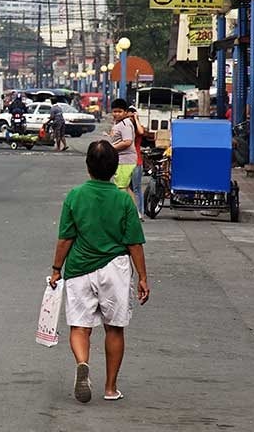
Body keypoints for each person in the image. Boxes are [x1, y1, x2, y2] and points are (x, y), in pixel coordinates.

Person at [49, 140, 149, 403]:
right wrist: (143, 277)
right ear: (115, 168)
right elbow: (134, 243)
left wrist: (56, 269)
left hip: (80, 268)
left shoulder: (75, 195)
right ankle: (110, 388)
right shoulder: (123, 200)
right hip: (114, 268)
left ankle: (83, 363)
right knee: (114, 328)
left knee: (80, 326)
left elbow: (65, 239)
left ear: (88, 166)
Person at [107, 99, 138, 204]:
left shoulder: (125, 124)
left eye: (119, 111)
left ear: (125, 112)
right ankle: (134, 212)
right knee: (126, 188)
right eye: (114, 111)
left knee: (121, 188)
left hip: (125, 161)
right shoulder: (119, 123)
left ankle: (123, 211)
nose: (116, 114)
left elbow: (127, 142)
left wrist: (111, 148)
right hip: (122, 160)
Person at [127, 107, 147, 219]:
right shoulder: (124, 127)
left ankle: (140, 212)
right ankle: (131, 210)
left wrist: (136, 118)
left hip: (136, 161)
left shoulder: (136, 129)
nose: (130, 118)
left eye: (132, 116)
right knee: (125, 187)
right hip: (125, 162)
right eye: (128, 116)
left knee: (136, 188)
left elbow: (141, 131)